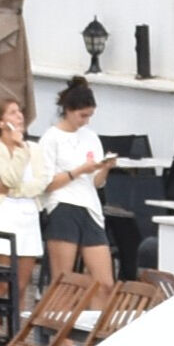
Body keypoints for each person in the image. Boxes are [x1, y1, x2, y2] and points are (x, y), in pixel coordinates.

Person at [38, 80, 118, 282]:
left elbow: (97, 183)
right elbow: (46, 183)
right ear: (68, 110)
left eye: (89, 116)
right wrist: (79, 170)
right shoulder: (51, 138)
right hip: (62, 205)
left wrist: (105, 168)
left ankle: (99, 313)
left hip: (90, 206)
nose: (86, 121)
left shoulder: (91, 137)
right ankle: (60, 313)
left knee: (105, 282)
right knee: (63, 280)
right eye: (82, 115)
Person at [0, 88, 52, 270]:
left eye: (20, 112)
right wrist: (18, 150)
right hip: (3, 214)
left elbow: (42, 181)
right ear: (0, 122)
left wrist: (14, 191)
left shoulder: (34, 149)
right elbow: (7, 178)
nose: (19, 116)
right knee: (0, 282)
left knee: (22, 283)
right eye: (12, 113)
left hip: (28, 216)